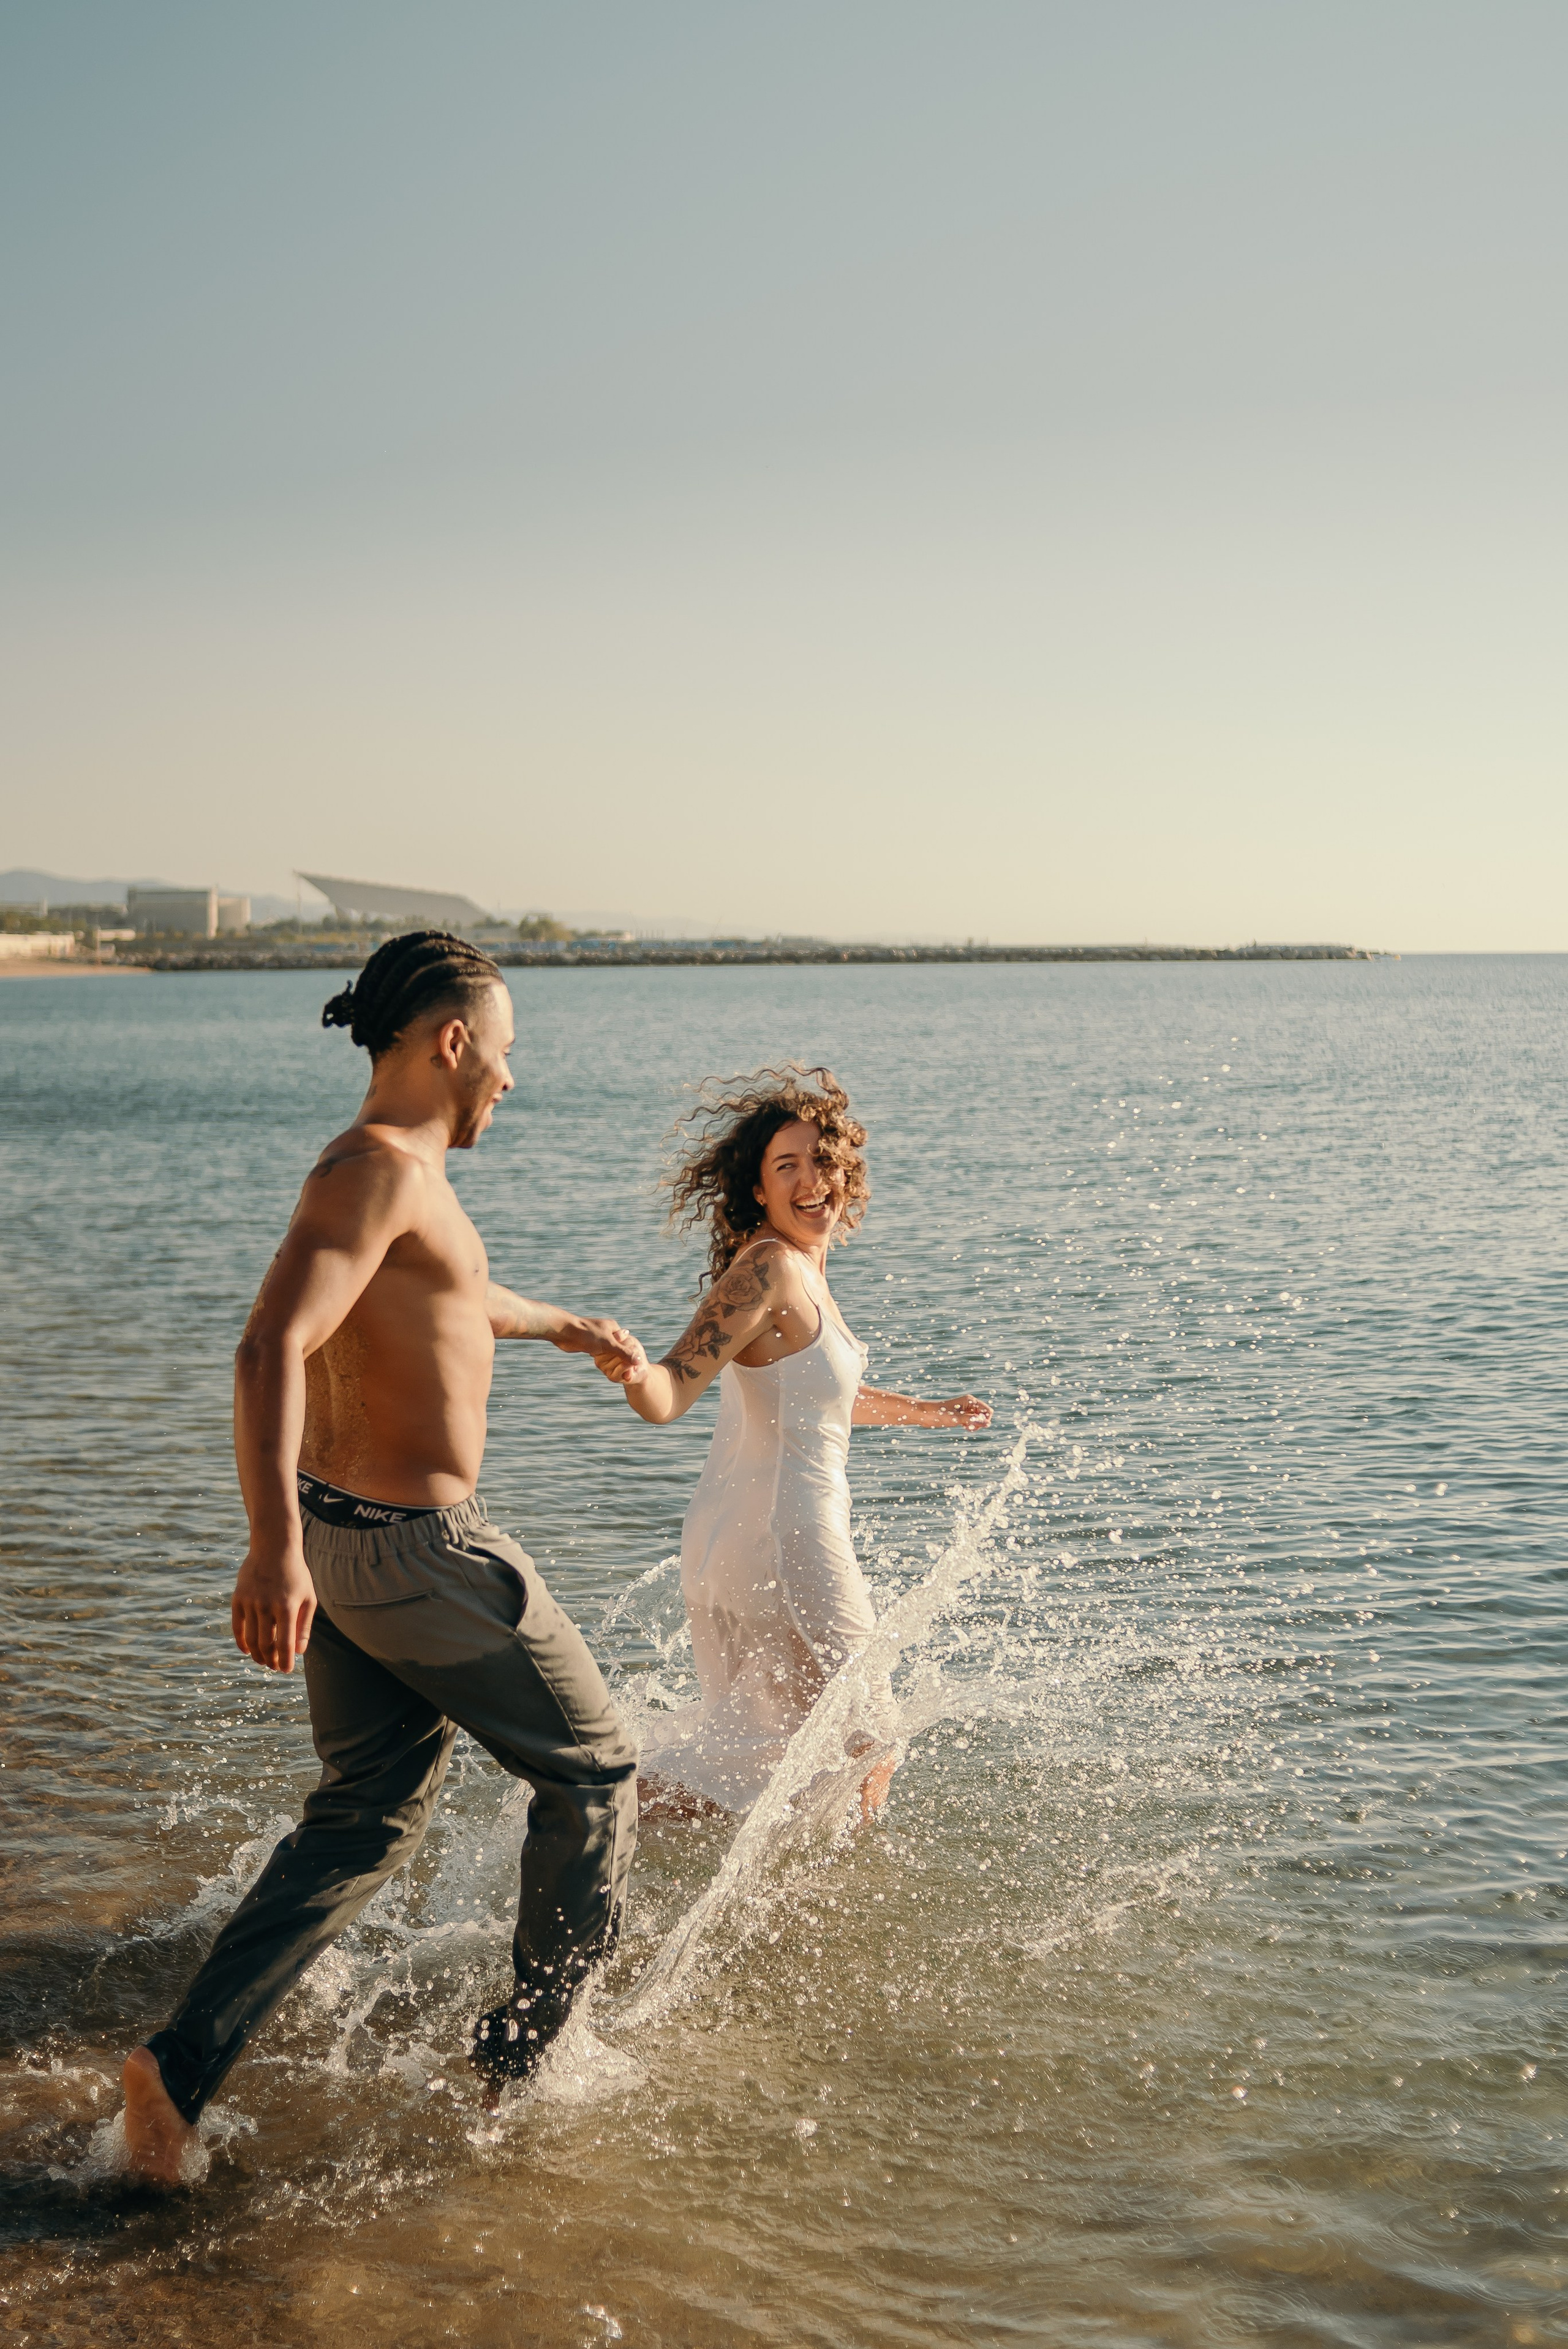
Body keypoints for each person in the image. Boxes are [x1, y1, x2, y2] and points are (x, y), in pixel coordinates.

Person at [121, 931, 642, 2184]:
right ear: (451, 1043)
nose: (509, 1082)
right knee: (597, 1779)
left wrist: (562, 1322)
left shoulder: (391, 1176)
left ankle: (177, 2076)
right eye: (502, 1055)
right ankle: (516, 2074)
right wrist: (263, 1555)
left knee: (360, 1818)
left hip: (346, 1546)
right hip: (420, 1558)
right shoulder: (373, 1173)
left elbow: (448, 1298)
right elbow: (264, 1348)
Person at [598, 1066, 990, 1821]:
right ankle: (610, 1805)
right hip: (789, 1544)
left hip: (732, 1544)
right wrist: (635, 1371)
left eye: (823, 1162)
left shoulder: (797, 1270)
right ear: (758, 1188)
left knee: (768, 1746)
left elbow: (819, 1404)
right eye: (788, 1167)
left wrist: (932, 1413)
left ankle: (618, 1819)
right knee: (871, 1740)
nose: (813, 1181)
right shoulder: (771, 1265)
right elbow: (672, 1389)